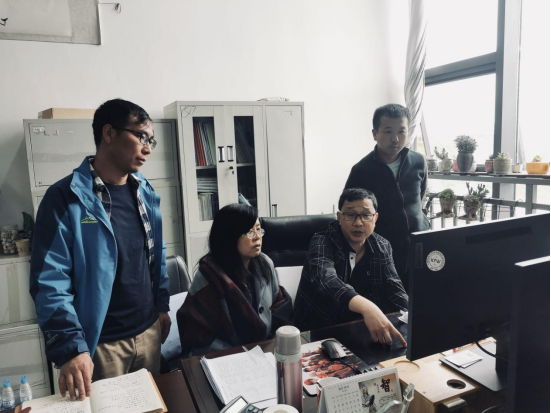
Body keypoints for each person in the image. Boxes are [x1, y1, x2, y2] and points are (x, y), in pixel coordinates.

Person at [30, 99, 171, 401]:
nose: (148, 148)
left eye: (151, 140)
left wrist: (161, 306)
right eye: (141, 137)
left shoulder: (144, 191)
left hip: (149, 333)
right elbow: (50, 283)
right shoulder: (64, 198)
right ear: (109, 133)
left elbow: (156, 253)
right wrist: (71, 348)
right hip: (100, 346)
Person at [294, 188, 408, 345]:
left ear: (375, 218)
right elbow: (325, 279)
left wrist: (414, 314)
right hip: (319, 329)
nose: (358, 222)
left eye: (366, 215)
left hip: (360, 328)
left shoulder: (382, 246)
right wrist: (367, 307)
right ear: (339, 217)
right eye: (350, 215)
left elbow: (394, 288)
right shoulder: (322, 241)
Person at [177, 204, 293, 355]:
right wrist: (241, 354)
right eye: (249, 232)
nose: (257, 237)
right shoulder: (209, 276)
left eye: (258, 229)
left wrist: (272, 343)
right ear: (229, 236)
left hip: (265, 351)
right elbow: (198, 335)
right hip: (225, 357)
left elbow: (279, 306)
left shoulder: (265, 263)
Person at [344, 104, 430, 291]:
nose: (395, 139)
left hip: (419, 246)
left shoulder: (418, 161)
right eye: (388, 131)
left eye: (401, 131)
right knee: (390, 300)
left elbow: (420, 196)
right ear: (375, 134)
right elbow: (349, 212)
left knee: (422, 297)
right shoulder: (361, 171)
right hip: (382, 252)